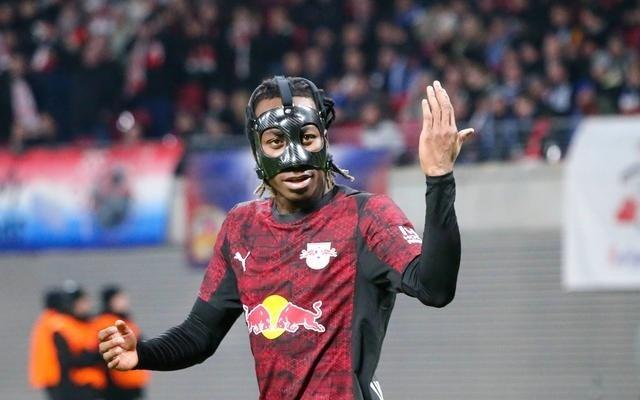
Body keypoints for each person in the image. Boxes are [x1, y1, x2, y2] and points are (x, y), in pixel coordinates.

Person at [98, 76, 473, 400]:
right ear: (257, 149)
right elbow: (199, 335)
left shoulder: (366, 216)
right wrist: (142, 354)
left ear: (324, 139)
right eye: (276, 141)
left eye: (306, 136)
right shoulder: (241, 227)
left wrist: (439, 178)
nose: (294, 156)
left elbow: (435, 288)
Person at [92, 285, 150, 400]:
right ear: (109, 302)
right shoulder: (104, 322)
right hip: (116, 384)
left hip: (133, 379)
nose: (124, 302)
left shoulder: (127, 321)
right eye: (119, 299)